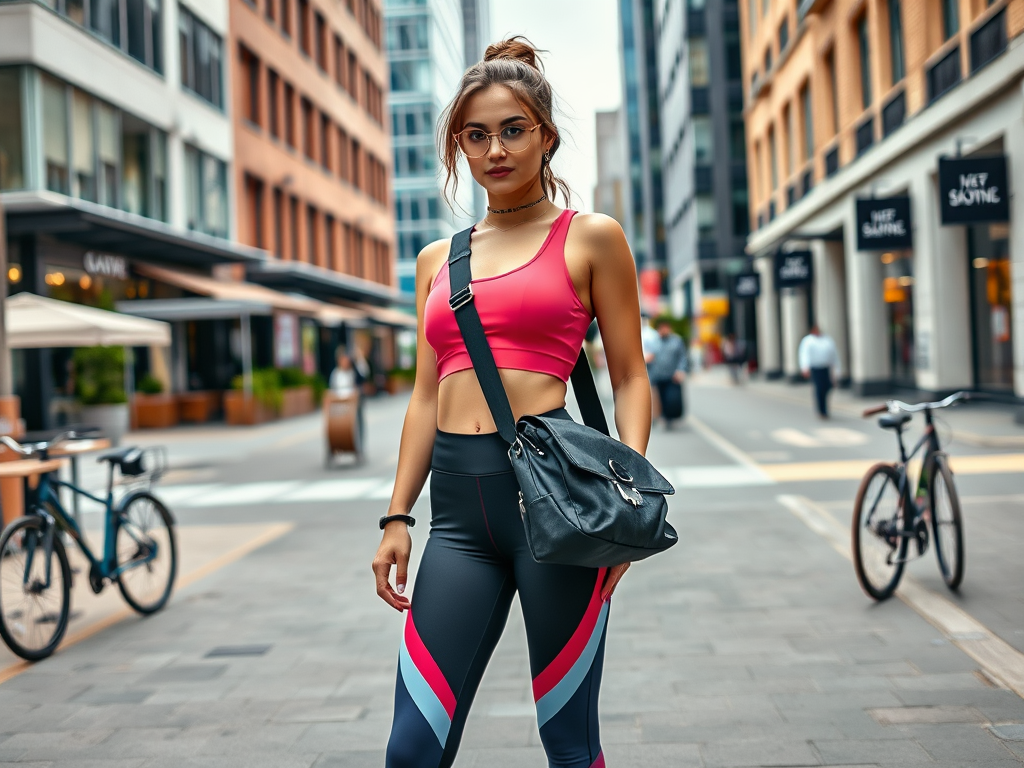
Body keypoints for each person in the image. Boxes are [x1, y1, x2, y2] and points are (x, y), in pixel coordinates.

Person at [371, 38, 651, 768]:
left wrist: (622, 507)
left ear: (546, 136)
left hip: (554, 505)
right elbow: (426, 393)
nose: (495, 148)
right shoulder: (439, 258)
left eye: (513, 129)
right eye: (476, 134)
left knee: (567, 741)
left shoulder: (590, 238)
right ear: (460, 146)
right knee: (412, 748)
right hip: (459, 518)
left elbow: (630, 378)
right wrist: (398, 515)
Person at [645, 316, 688, 428]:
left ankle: (669, 418)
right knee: (658, 399)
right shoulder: (654, 341)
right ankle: (659, 417)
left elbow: (682, 357)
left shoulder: (676, 341)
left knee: (671, 398)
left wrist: (680, 370)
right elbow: (649, 355)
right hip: (657, 375)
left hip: (671, 375)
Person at [799, 324, 839, 418]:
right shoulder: (808, 341)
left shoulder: (827, 340)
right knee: (819, 388)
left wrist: (837, 368)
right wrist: (805, 367)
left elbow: (834, 354)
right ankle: (822, 410)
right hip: (815, 368)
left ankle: (824, 407)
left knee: (827, 386)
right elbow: (804, 354)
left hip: (826, 367)